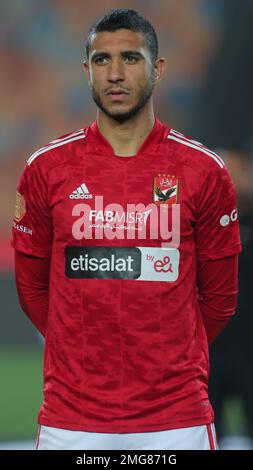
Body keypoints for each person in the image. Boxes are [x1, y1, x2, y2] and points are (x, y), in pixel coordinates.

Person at [11, 8, 241, 450]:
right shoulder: (46, 169)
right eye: (102, 60)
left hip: (178, 420)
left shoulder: (204, 171)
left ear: (157, 69)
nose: (115, 73)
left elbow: (219, 300)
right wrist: (83, 357)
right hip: (71, 421)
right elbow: (33, 291)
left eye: (131, 59)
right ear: (86, 71)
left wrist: (167, 357)